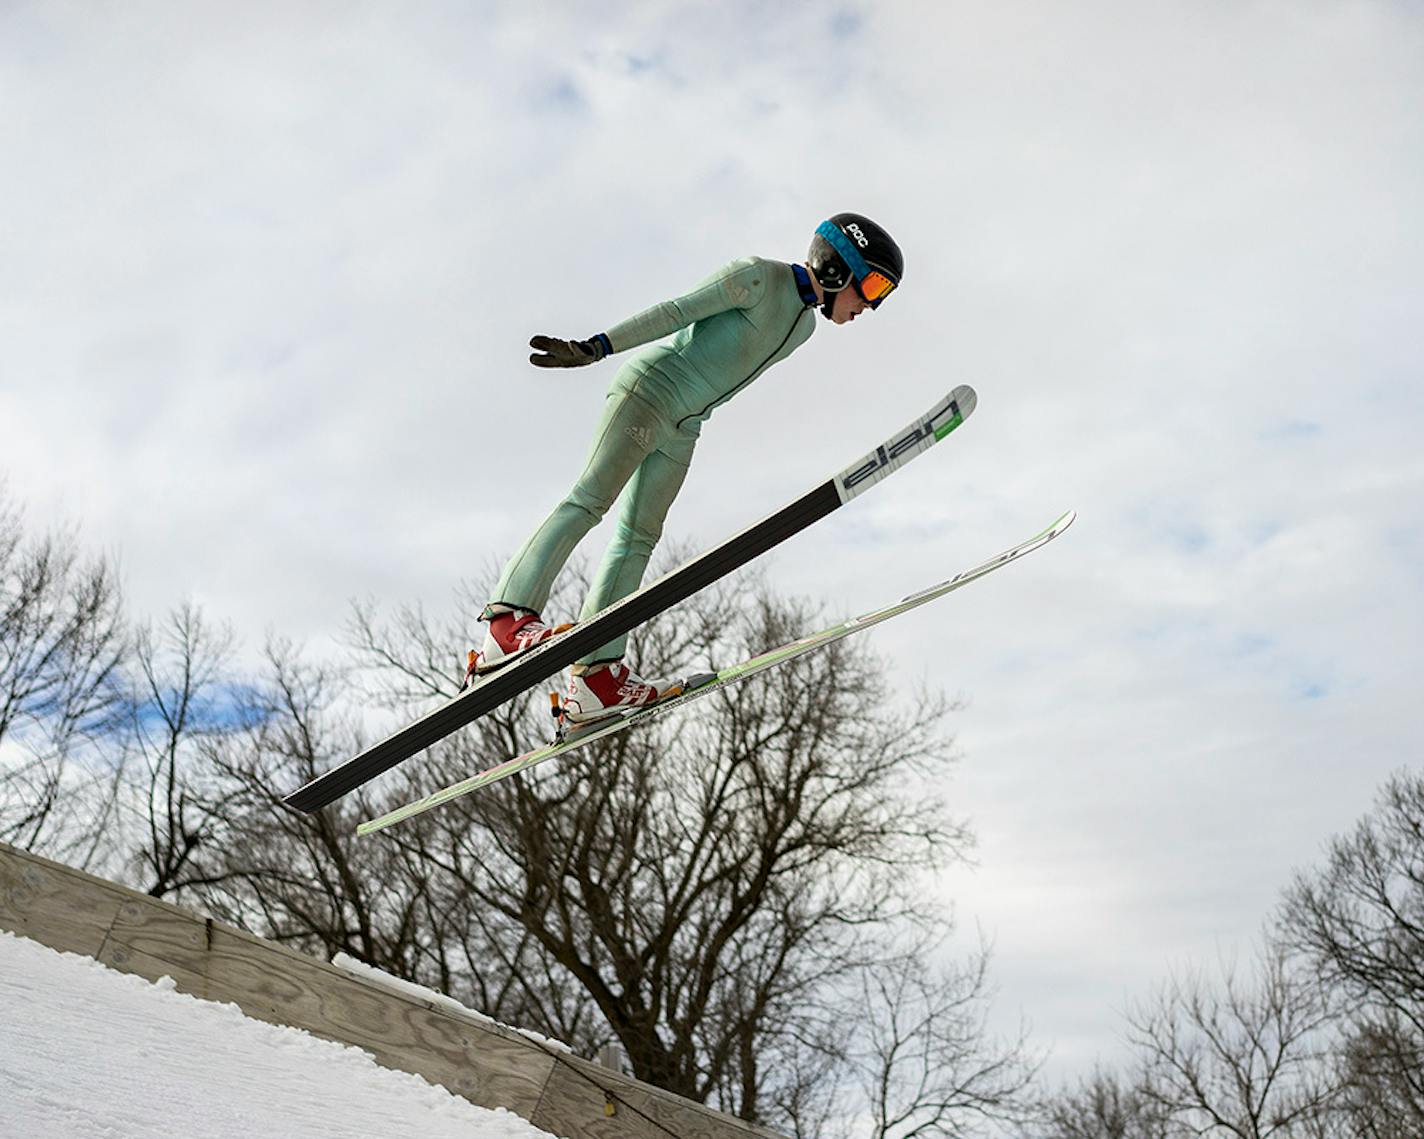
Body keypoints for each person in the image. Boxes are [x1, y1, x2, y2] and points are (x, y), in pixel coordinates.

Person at [473, 213, 904, 723]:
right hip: (649, 393)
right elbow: (677, 312)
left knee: (637, 538)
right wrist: (599, 346)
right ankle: (507, 621)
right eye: (872, 285)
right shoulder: (756, 276)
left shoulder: (804, 327)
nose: (870, 305)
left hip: (684, 425)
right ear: (836, 269)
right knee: (590, 500)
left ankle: (594, 678)